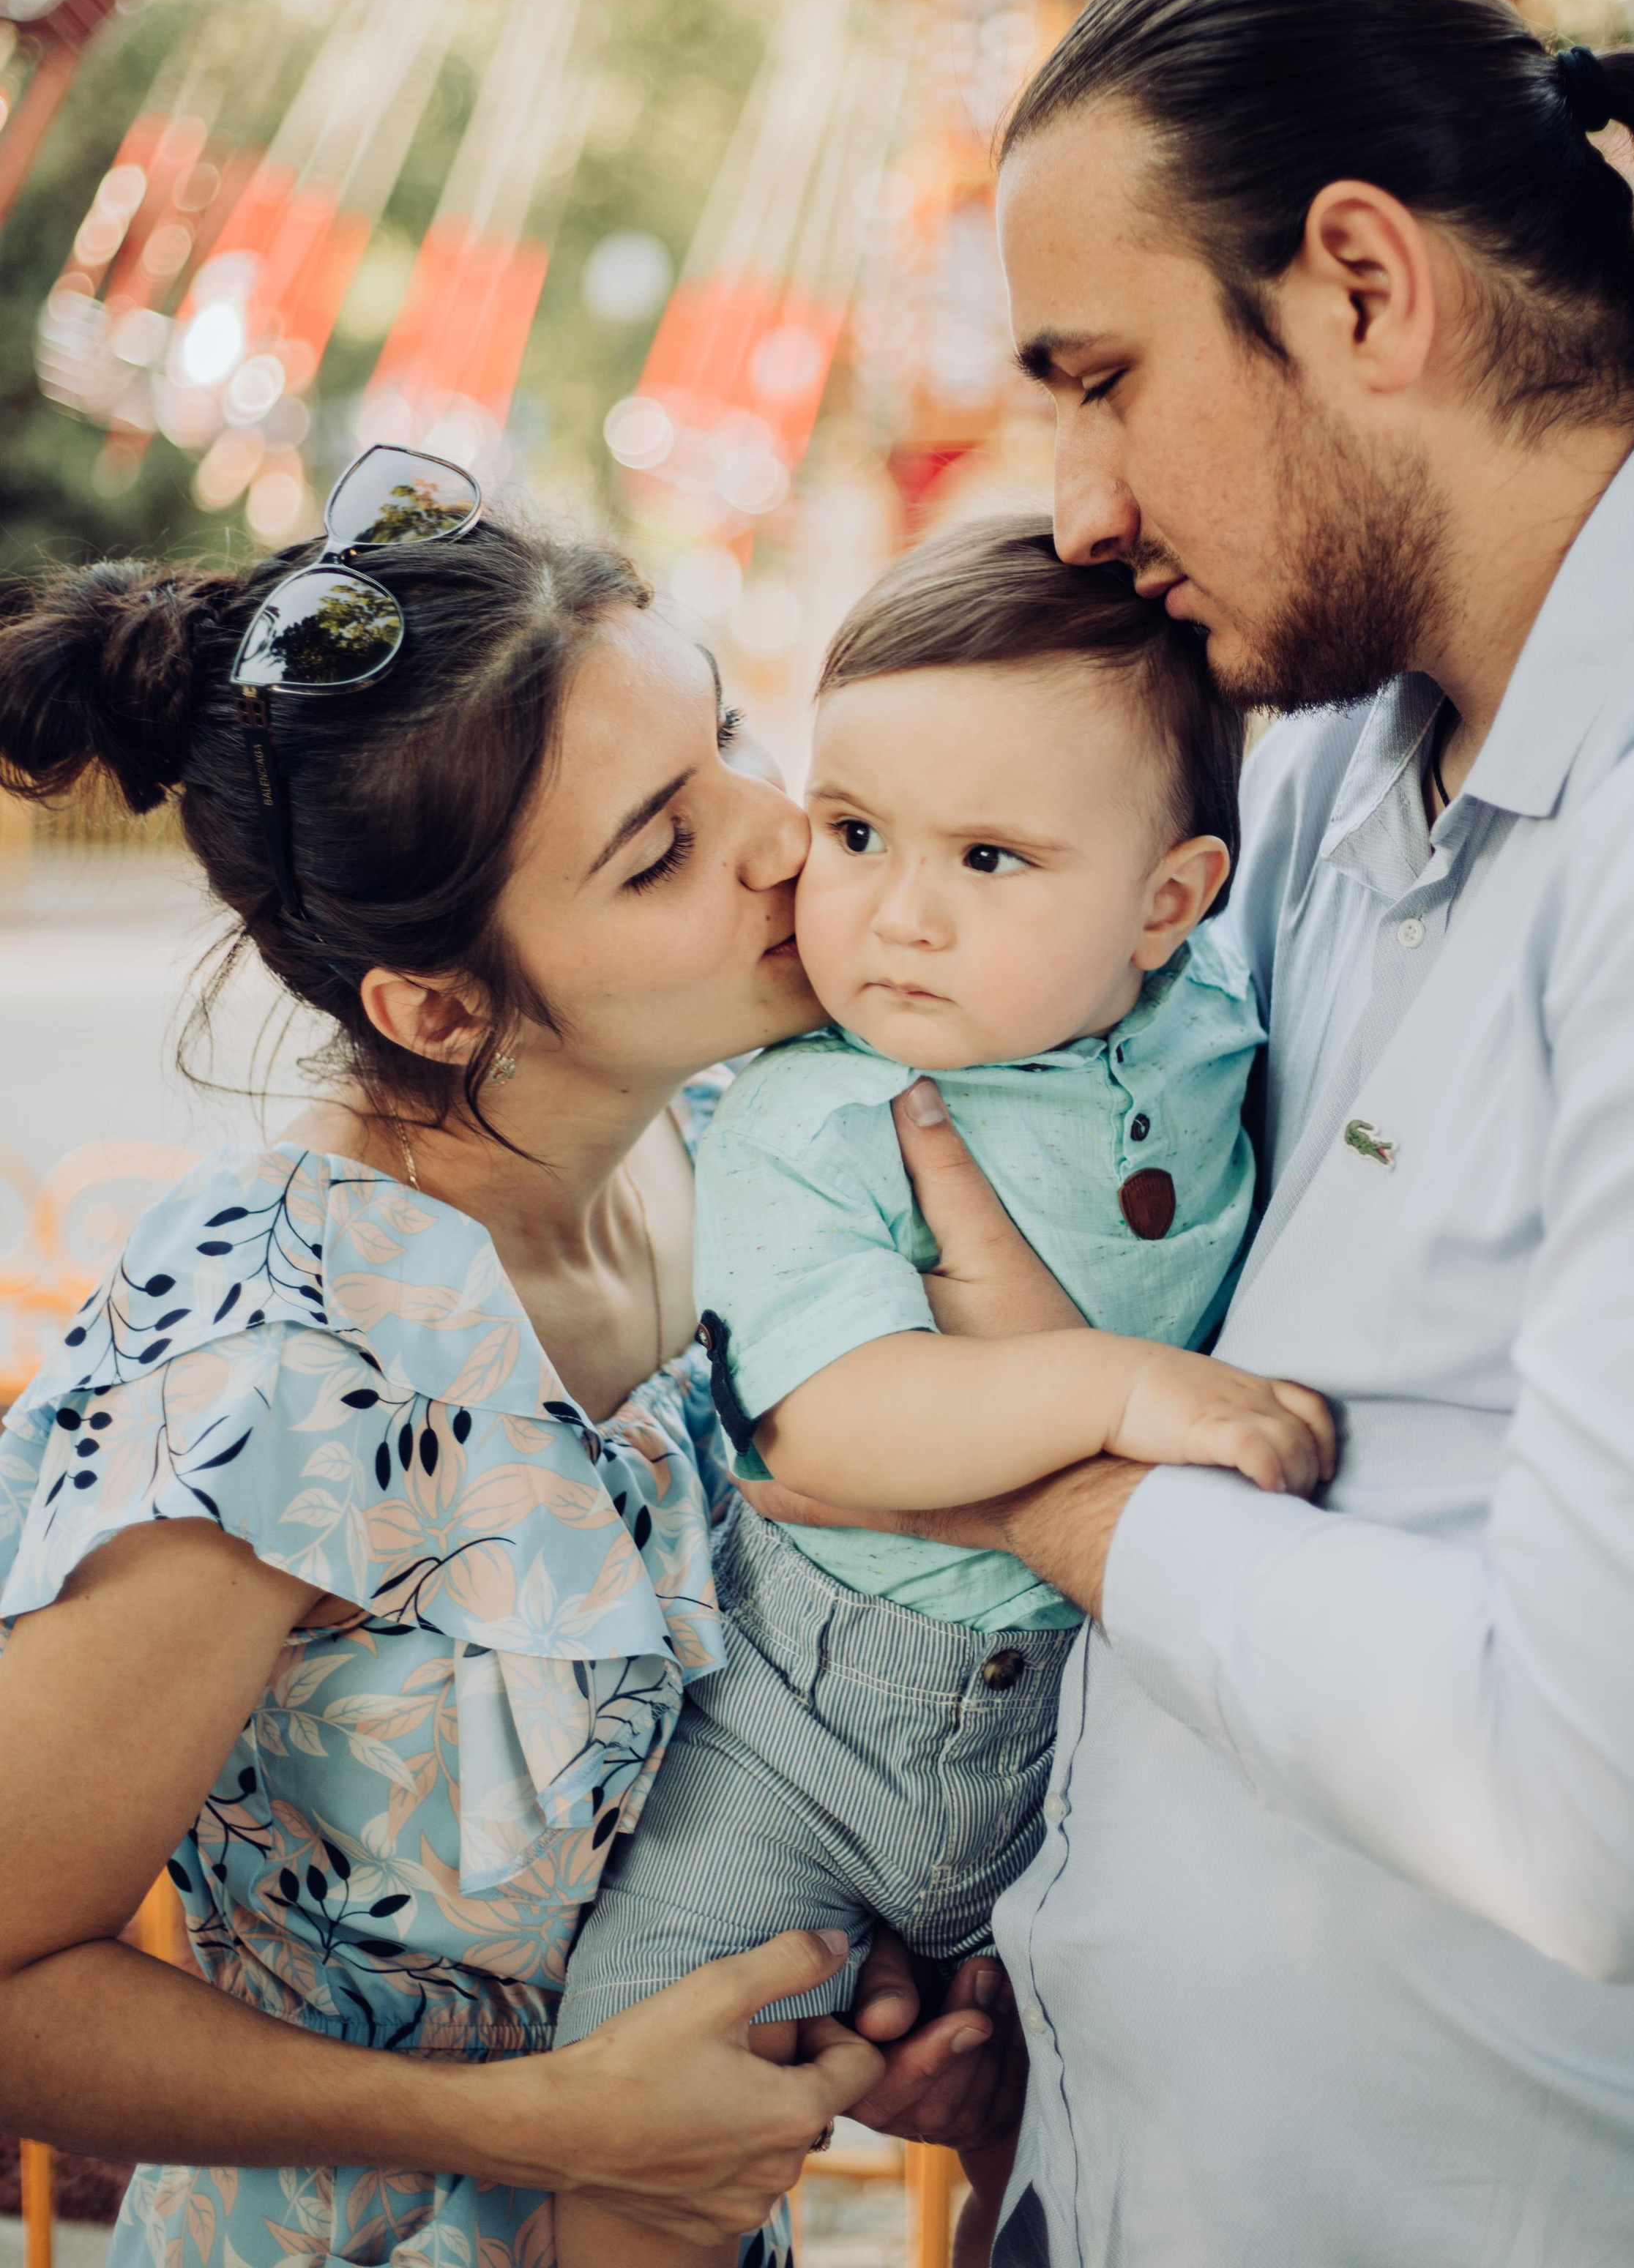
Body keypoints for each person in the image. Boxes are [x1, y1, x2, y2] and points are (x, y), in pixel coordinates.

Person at [771, 0, 1634, 2265]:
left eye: (1102, 381)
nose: (1078, 505)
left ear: (1366, 288)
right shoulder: (1323, 756)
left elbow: (1604, 1816)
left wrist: (1032, 1476)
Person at [0, 449, 1018, 2268]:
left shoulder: (740, 1149)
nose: (781, 833)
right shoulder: (280, 1355)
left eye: (728, 737)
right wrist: (532, 2124)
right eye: (661, 850)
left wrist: (856, 1994)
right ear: (440, 1005)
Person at [552, 515, 1333, 2268]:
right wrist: (1118, 1387)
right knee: (652, 2075)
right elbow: (828, 1426)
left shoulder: (1209, 1019)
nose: (895, 915)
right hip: (800, 1727)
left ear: (1167, 904)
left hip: (1092, 1739)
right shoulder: (812, 1108)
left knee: (1066, 2136)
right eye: (852, 834)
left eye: (988, 857)